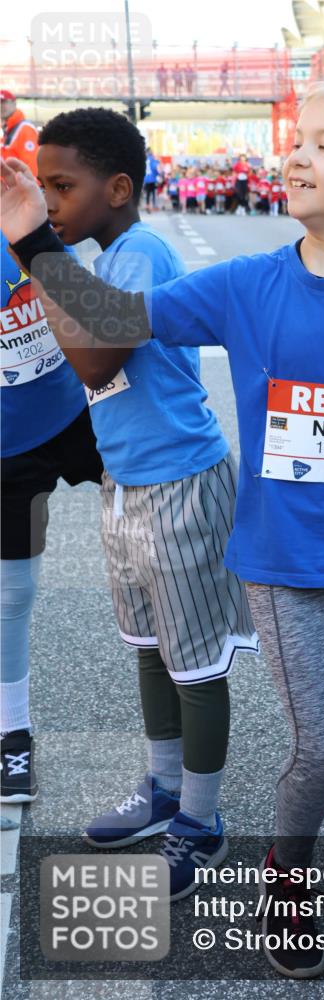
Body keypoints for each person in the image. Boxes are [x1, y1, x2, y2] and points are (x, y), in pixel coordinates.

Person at [1, 81, 324, 978]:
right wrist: (30, 234)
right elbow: (110, 323)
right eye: (297, 141)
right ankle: (288, 882)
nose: (297, 156)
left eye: (322, 146)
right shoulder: (248, 284)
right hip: (279, 561)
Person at [9, 107, 258, 900]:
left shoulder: (141, 250)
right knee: (148, 648)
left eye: (62, 185)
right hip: (129, 483)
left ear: (117, 189)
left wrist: (32, 246)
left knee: (195, 665)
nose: (48, 198)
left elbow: (96, 359)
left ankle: (202, 820)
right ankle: (161, 788)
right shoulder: (101, 256)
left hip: (181, 480)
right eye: (39, 184)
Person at [1, 95, 103, 808]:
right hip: (9, 438)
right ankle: (13, 735)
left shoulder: (27, 176)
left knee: (166, 533)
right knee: (15, 589)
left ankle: (190, 704)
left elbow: (104, 291)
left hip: (85, 403)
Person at [1, 90, 38, 177]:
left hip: (22, 188)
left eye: (4, 102)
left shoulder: (25, 129)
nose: (1, 106)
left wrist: (30, 189)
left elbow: (32, 166)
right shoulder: (8, 130)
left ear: (14, 103)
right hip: (11, 187)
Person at [143, 147, 161, 213]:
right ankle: (154, 206)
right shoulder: (153, 160)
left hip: (146, 179)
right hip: (153, 179)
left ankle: (147, 205)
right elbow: (157, 168)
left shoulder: (145, 159)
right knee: (154, 193)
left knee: (147, 193)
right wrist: (160, 174)